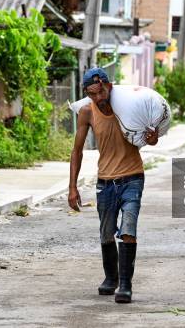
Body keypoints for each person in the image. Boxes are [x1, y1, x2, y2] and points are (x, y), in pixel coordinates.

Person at [68, 67, 158, 304]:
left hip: (133, 177)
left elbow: (148, 134)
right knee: (106, 233)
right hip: (105, 181)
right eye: (92, 94)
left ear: (108, 86)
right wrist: (72, 187)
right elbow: (76, 150)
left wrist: (153, 138)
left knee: (128, 229)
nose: (98, 98)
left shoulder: (127, 106)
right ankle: (111, 278)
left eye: (100, 92)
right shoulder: (86, 113)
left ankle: (126, 285)